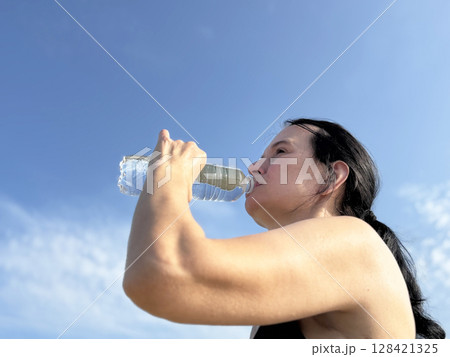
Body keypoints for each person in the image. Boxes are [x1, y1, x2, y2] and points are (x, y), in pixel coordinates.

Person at [123, 118, 445, 339]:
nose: (253, 168)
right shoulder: (278, 303)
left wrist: (168, 175)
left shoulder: (357, 243)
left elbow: (163, 272)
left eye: (280, 152)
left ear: (332, 176)